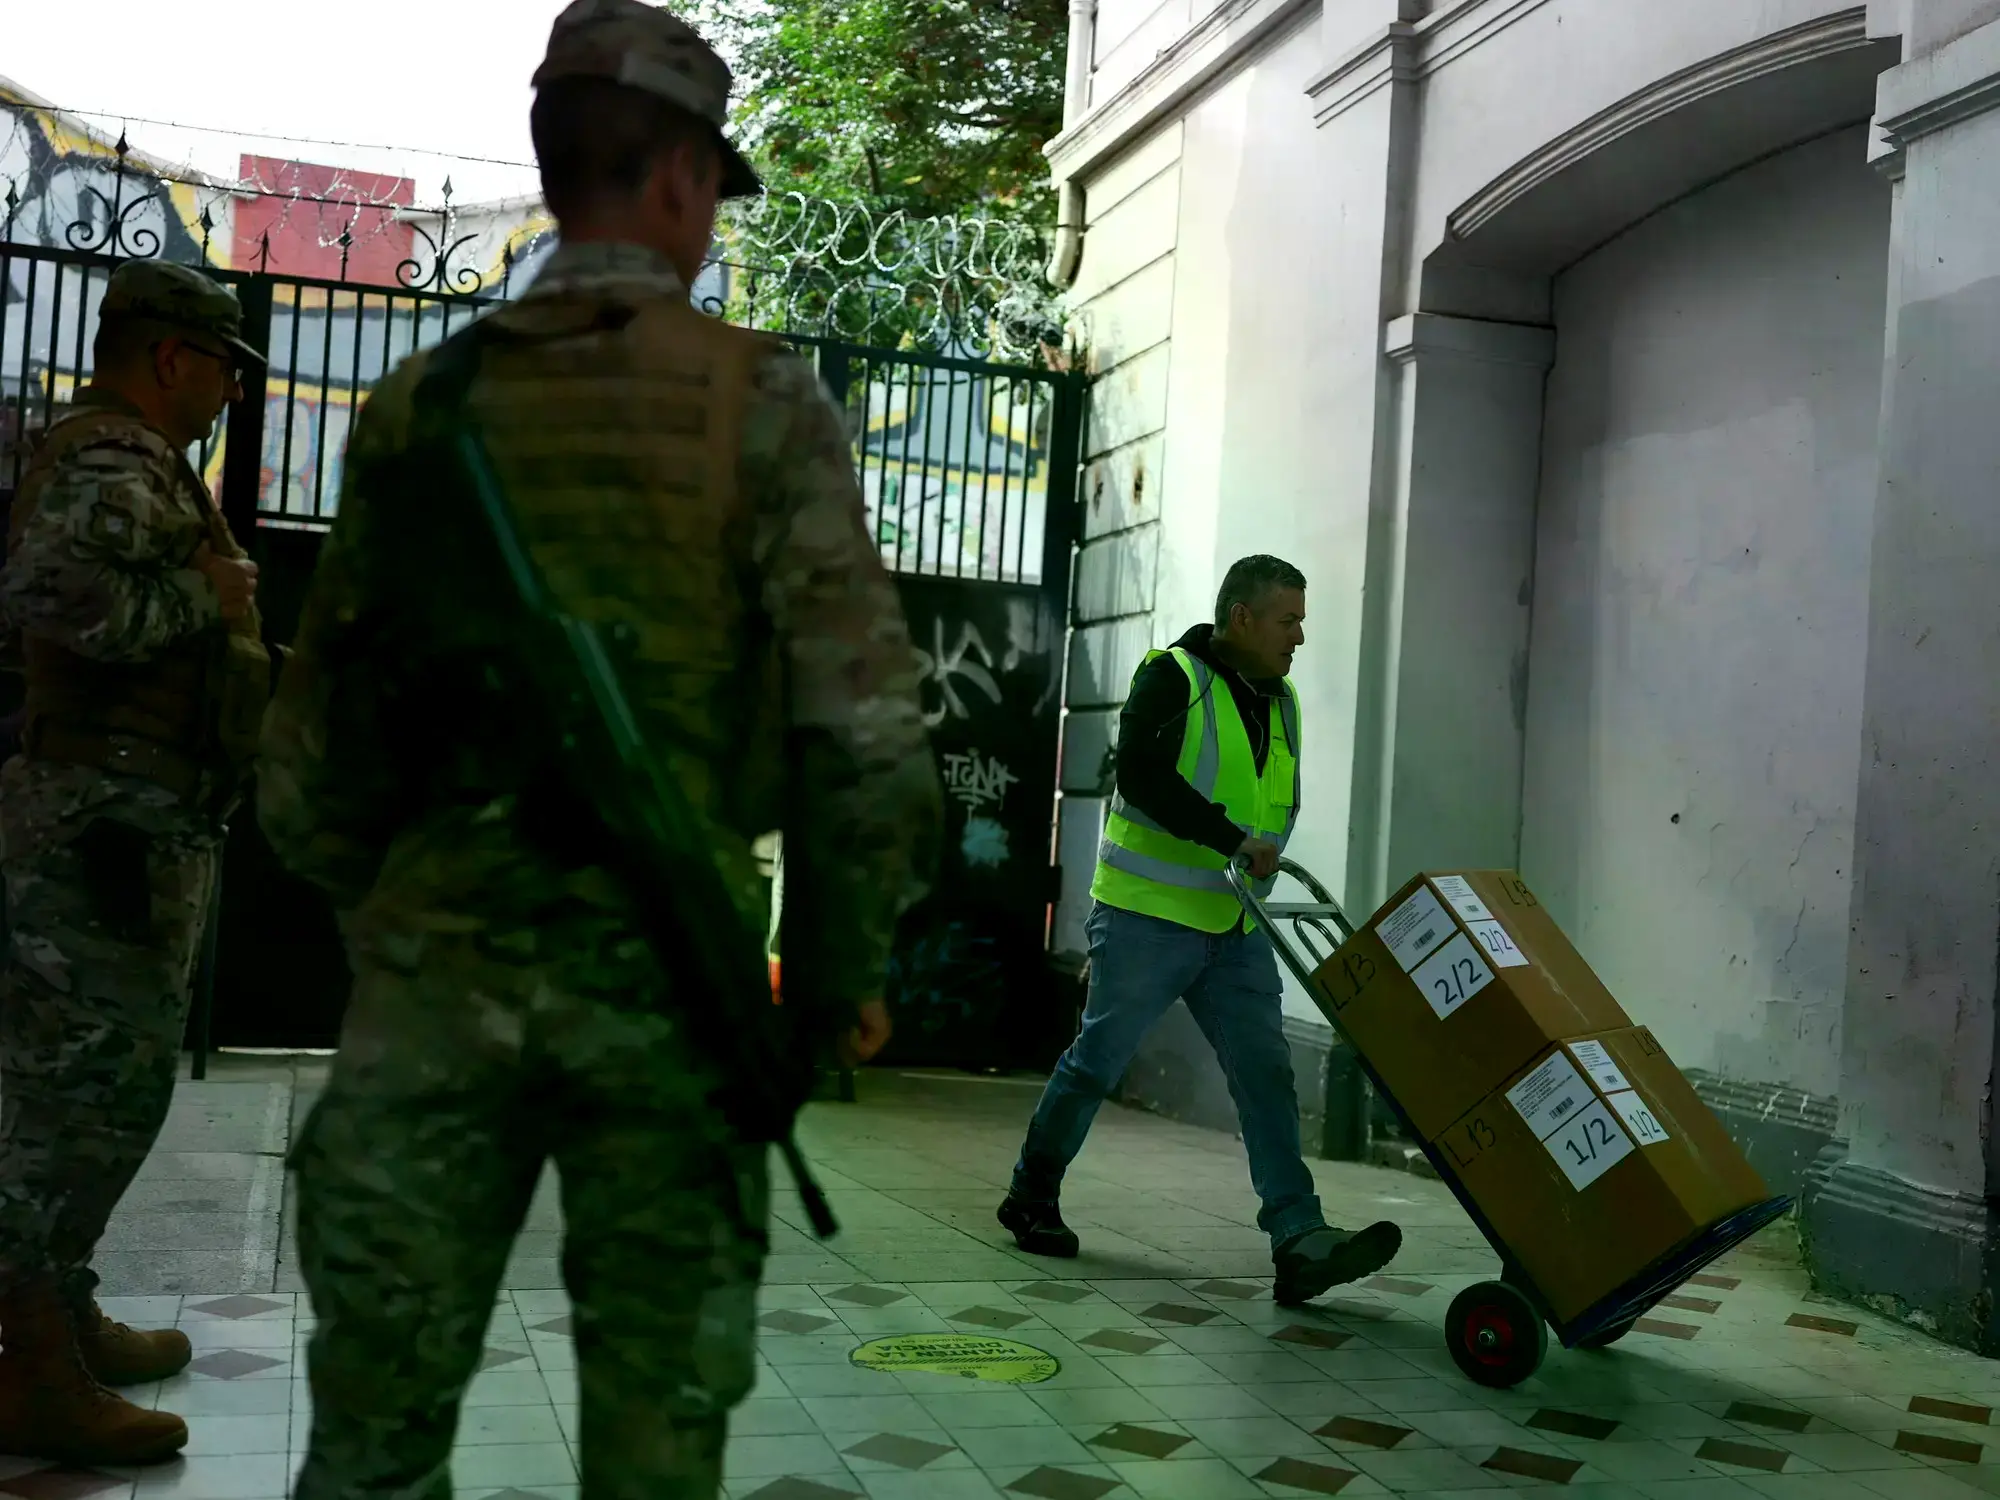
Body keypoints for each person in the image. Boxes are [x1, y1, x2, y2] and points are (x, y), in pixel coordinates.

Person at [257, 3, 941, 1496]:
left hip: (434, 990)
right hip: (670, 1002)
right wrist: (832, 984)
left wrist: (408, 918)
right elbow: (867, 735)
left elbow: (311, 757)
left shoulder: (416, 412)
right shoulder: (763, 404)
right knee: (654, 1443)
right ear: (685, 179)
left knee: (374, 1442)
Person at [0, 259, 270, 1465]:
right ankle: (29, 1362)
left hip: (135, 821)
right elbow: (50, 593)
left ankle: (54, 1312)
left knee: (108, 1094)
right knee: (66, 1104)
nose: (226, 392)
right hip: (96, 825)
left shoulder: (147, 464)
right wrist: (205, 602)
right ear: (172, 356)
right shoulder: (109, 457)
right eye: (221, 366)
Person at [998, 555, 1403, 1304]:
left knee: (1267, 1074)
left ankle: (1299, 1238)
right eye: (1289, 620)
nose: (1300, 638)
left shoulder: (1281, 703)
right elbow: (1141, 777)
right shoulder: (1173, 677)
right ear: (1242, 617)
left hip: (1232, 925)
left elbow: (1276, 799)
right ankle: (1030, 1195)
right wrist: (1230, 840)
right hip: (1148, 917)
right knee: (1098, 1061)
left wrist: (1259, 851)